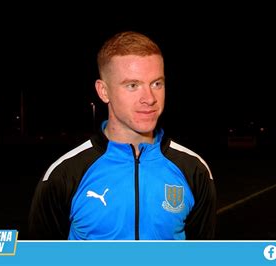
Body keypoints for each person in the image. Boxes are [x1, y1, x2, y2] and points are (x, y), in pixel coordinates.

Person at [28, 31, 216, 240]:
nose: (149, 98)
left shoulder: (194, 170)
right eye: (133, 85)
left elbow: (201, 256)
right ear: (103, 91)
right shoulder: (64, 175)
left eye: (156, 83)